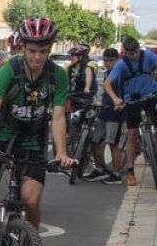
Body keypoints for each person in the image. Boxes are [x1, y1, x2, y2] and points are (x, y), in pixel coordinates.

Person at [0, 18, 74, 246]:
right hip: (3, 133)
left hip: (33, 139)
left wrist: (61, 152)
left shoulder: (57, 76)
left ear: (50, 49)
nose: (37, 57)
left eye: (43, 51)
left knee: (31, 200)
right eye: (33, 51)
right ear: (23, 47)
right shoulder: (8, 71)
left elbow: (57, 117)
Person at [102, 36, 157, 186]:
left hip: (152, 96)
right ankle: (131, 172)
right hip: (132, 101)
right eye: (131, 53)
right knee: (132, 135)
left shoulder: (149, 56)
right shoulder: (121, 64)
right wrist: (115, 99)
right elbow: (107, 84)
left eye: (136, 52)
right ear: (125, 52)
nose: (134, 55)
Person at [85, 47, 125, 183]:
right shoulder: (108, 72)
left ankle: (116, 174)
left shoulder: (120, 74)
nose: (107, 63)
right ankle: (100, 169)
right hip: (104, 111)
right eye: (105, 60)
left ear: (117, 60)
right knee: (95, 141)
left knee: (112, 143)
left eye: (110, 61)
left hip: (115, 113)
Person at [65, 43, 96, 115]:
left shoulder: (87, 69)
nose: (71, 58)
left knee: (81, 119)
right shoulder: (69, 68)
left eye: (73, 55)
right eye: (70, 55)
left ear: (80, 57)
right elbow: (67, 84)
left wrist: (87, 89)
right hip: (71, 98)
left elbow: (87, 87)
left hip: (83, 99)